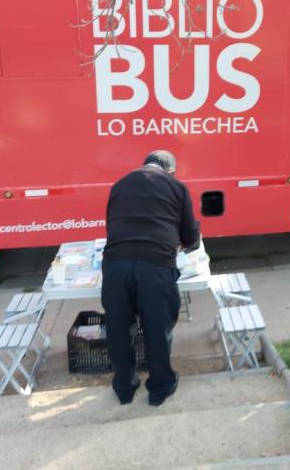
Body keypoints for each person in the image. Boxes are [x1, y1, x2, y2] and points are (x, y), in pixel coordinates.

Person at [101, 150, 200, 406]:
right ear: (170, 171)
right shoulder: (176, 186)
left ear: (144, 165)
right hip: (155, 266)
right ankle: (160, 387)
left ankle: (124, 387)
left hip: (115, 265)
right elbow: (190, 236)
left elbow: (112, 224)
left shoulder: (120, 185)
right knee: (158, 328)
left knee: (119, 328)